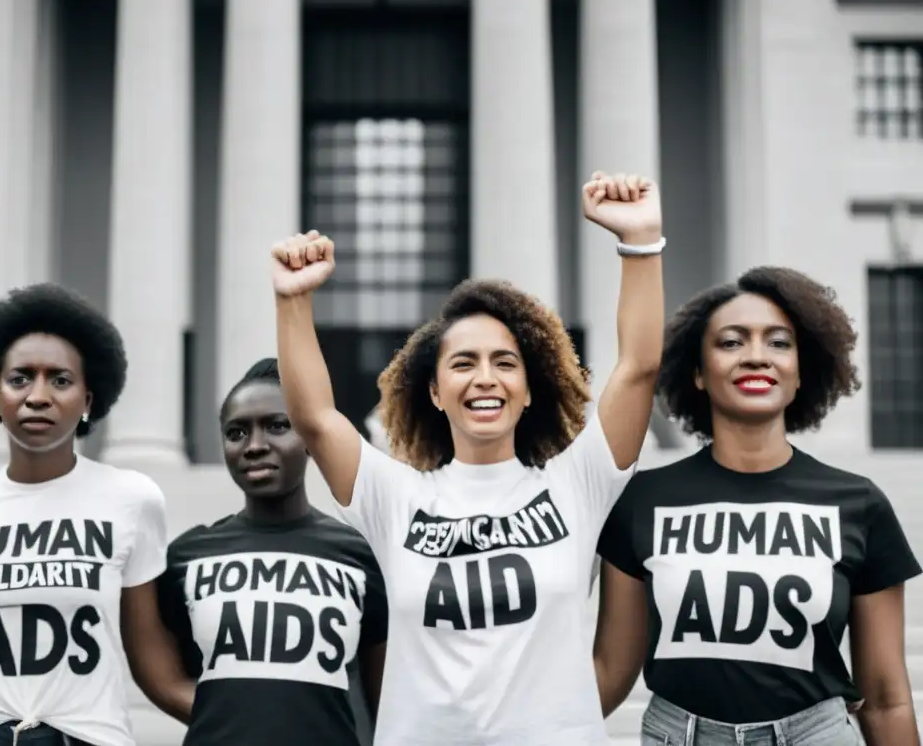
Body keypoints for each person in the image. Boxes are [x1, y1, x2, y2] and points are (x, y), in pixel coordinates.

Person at [271, 170, 665, 745]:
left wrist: (640, 242)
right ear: (434, 392)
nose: (486, 378)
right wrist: (292, 298)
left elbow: (638, 368)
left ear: (530, 388)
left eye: (505, 363)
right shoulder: (395, 497)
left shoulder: (577, 481)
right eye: (463, 363)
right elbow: (316, 419)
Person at [594, 266, 922, 745]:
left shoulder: (859, 504)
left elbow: (887, 697)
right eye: (730, 342)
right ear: (699, 374)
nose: (755, 356)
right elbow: (610, 669)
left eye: (778, 343)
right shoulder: (644, 500)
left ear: (799, 372)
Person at [0, 283, 168, 746]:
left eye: (60, 379)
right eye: (19, 379)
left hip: (87, 735)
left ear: (88, 401)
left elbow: (150, 660)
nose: (38, 396)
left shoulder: (132, 499)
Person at [131, 357, 388, 746]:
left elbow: (384, 700)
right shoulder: (186, 557)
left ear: (308, 437)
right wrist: (235, 716)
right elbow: (162, 679)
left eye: (278, 426)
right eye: (236, 433)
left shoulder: (361, 554)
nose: (254, 446)